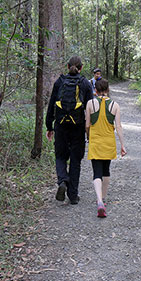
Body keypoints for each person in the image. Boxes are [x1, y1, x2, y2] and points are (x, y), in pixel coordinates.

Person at [46, 56, 94, 205]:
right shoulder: (85, 83)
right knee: (75, 160)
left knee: (60, 156)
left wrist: (49, 126)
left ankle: (62, 180)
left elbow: (51, 105)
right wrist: (90, 131)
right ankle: (73, 195)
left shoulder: (60, 82)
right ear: (81, 68)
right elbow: (90, 109)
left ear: (67, 67)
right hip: (78, 127)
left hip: (60, 125)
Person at [85, 79, 126, 218]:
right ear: (108, 90)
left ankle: (99, 201)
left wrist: (89, 137)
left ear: (95, 90)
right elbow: (119, 126)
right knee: (106, 170)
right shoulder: (115, 105)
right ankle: (103, 198)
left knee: (97, 172)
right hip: (109, 142)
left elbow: (87, 124)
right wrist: (122, 145)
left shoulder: (90, 103)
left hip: (95, 141)